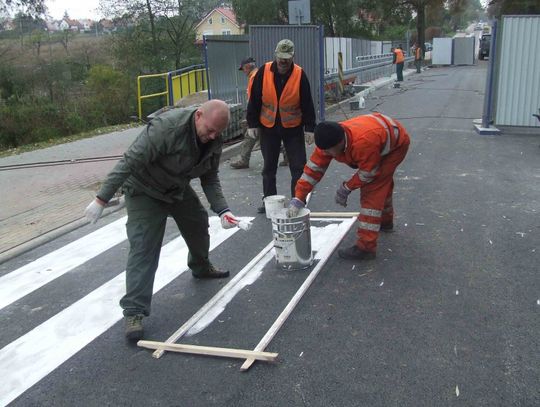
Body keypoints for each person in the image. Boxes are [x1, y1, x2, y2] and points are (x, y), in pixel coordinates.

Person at [83, 99, 239, 340]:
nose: (212, 136)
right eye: (209, 130)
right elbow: (129, 161)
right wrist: (101, 199)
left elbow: (209, 178)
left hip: (175, 187)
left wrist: (222, 210)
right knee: (144, 246)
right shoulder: (167, 128)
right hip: (144, 189)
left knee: (197, 221)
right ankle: (134, 311)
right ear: (198, 115)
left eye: (217, 132)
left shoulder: (213, 138)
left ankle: (200, 266)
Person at [287, 113, 410, 260]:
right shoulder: (328, 140)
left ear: (340, 143)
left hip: (395, 145)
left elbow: (368, 173)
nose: (325, 154)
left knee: (373, 191)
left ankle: (366, 247)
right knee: (383, 184)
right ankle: (385, 221)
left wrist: (346, 187)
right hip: (380, 133)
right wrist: (298, 198)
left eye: (328, 151)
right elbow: (312, 171)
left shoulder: (363, 142)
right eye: (323, 150)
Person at [247, 39, 317, 214]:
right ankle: (269, 201)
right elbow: (254, 100)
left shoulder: (300, 74)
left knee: (298, 167)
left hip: (293, 128)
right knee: (269, 167)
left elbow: (307, 103)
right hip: (268, 127)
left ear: (292, 56)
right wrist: (252, 124)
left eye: (287, 58)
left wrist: (310, 128)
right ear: (275, 55)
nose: (283, 62)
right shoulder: (264, 72)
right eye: (280, 58)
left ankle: (298, 201)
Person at [230, 56, 288, 169]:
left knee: (250, 135)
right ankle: (288, 156)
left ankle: (243, 160)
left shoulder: (254, 77)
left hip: (262, 114)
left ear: (247, 67)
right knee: (266, 140)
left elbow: (254, 99)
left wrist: (251, 118)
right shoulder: (260, 75)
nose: (244, 72)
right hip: (268, 113)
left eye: (243, 69)